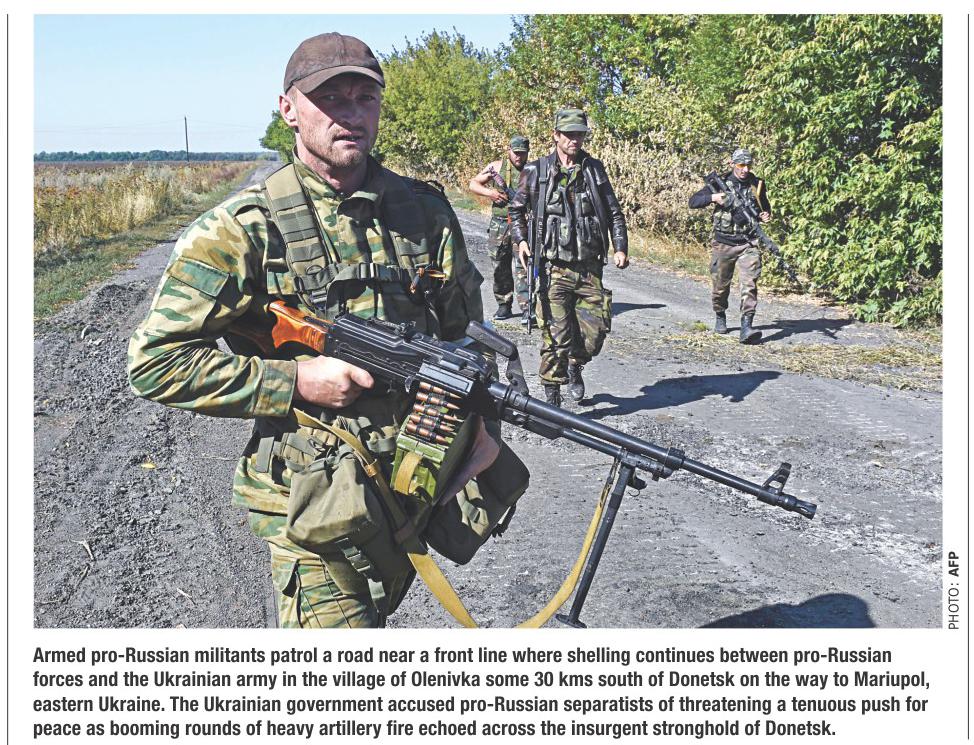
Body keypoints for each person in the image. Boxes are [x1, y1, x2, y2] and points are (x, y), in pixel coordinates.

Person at [127, 33, 498, 628]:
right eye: (331, 99)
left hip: (413, 484)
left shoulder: (424, 212)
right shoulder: (242, 228)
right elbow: (154, 364)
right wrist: (298, 381)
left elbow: (466, 337)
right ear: (289, 110)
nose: (351, 115)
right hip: (314, 503)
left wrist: (483, 426)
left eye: (365, 98)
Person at [509, 108, 628, 407]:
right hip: (553, 270)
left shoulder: (593, 170)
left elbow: (614, 212)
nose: (575, 140)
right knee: (555, 337)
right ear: (556, 136)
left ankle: (576, 365)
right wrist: (521, 241)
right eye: (569, 134)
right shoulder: (536, 171)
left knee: (594, 335)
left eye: (580, 135)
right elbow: (516, 209)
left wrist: (620, 247)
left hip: (589, 268)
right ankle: (553, 398)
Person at [689, 147, 772, 344]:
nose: (745, 169)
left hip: (748, 242)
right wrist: (713, 198)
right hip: (723, 243)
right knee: (720, 287)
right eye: (741, 165)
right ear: (732, 164)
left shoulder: (757, 184)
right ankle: (720, 314)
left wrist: (765, 215)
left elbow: (764, 205)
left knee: (750, 285)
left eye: (748, 165)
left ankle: (746, 326)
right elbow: (693, 201)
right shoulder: (719, 183)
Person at [468, 136, 531, 323]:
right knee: (499, 266)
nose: (518, 157)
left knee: (524, 265)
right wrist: (491, 193)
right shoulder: (496, 167)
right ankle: (504, 304)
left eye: (522, 153)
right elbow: (473, 183)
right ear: (508, 150)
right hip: (500, 224)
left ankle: (528, 307)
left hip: (524, 224)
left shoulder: (533, 169)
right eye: (515, 153)